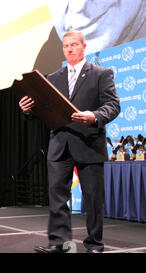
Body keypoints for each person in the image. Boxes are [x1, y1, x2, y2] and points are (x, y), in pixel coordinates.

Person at [19, 30, 120, 253]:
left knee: (93, 199)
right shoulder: (53, 79)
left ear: (84, 47)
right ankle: (59, 243)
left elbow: (113, 106)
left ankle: (94, 244)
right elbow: (43, 112)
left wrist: (94, 116)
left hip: (88, 142)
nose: (70, 49)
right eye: (66, 46)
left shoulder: (101, 74)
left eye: (74, 45)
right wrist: (28, 110)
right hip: (59, 144)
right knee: (57, 197)